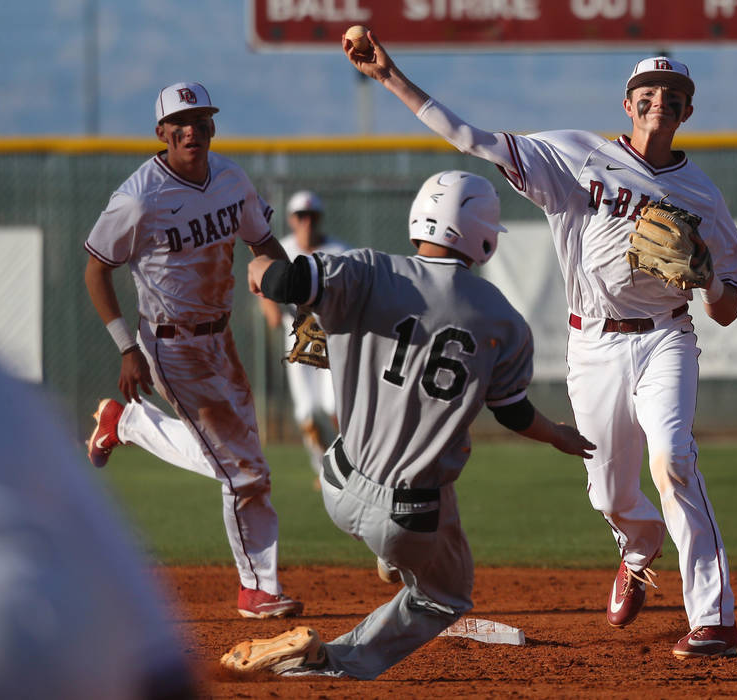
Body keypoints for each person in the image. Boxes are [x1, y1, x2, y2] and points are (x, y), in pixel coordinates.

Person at [343, 36, 737, 658]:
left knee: (672, 457)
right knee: (608, 492)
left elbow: (727, 309)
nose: (659, 102)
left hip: (667, 336)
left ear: (687, 112)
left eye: (674, 96)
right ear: (627, 104)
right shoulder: (575, 156)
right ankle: (637, 547)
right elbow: (471, 139)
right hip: (592, 344)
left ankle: (713, 616)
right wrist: (392, 77)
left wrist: (710, 279)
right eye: (648, 93)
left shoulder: (702, 196)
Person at [220, 170, 595, 679]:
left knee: (418, 481)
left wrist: (260, 263)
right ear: (483, 235)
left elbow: (284, 281)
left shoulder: (369, 269)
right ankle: (330, 661)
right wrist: (557, 435)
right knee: (447, 594)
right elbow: (512, 411)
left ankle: (390, 553)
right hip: (409, 516)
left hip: (339, 482)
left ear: (419, 219)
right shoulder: (504, 320)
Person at [82, 81, 302, 620]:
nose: (191, 130)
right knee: (245, 470)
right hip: (169, 343)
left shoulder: (230, 178)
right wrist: (126, 348)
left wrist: (298, 297)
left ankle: (128, 425)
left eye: (201, 119)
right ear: (160, 133)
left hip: (220, 339)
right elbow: (96, 270)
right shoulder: (139, 198)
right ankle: (257, 590)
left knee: (234, 459)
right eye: (179, 122)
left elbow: (263, 243)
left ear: (212, 127)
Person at [0, 332, 196, 700]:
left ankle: (130, 423)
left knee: (238, 464)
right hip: (43, 623)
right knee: (238, 464)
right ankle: (131, 423)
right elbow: (89, 521)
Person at [257, 190, 349, 483]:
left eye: (311, 216)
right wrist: (270, 308)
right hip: (296, 332)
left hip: (331, 334)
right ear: (291, 220)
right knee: (307, 411)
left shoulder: (339, 249)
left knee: (333, 406)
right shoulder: (282, 248)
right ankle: (324, 471)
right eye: (300, 216)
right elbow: (261, 279)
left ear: (319, 219)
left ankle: (348, 464)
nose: (306, 221)